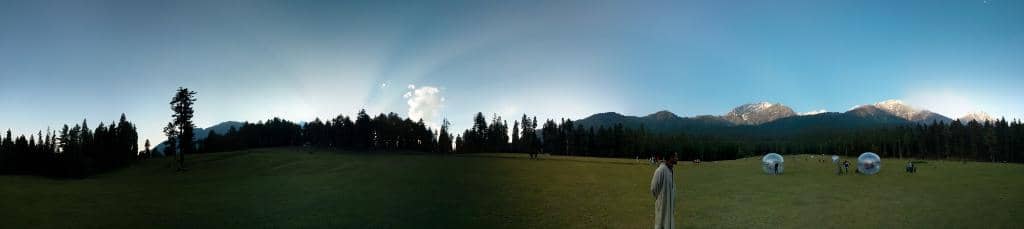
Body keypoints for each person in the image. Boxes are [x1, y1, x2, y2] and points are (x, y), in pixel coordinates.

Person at [650, 153, 677, 229]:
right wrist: (661, 199)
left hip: (670, 206)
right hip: (662, 206)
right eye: (676, 156)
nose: (677, 158)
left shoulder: (671, 169)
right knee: (660, 225)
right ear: (671, 157)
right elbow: (653, 188)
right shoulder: (660, 170)